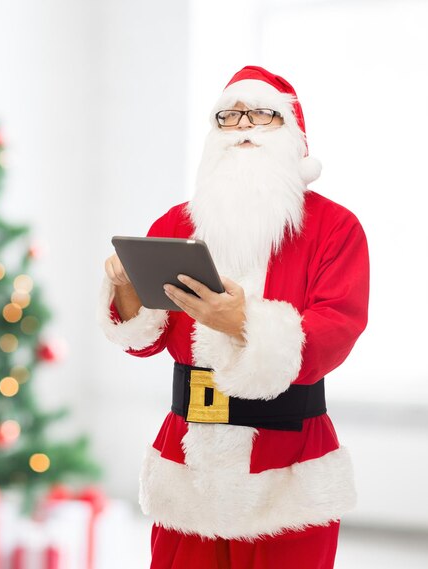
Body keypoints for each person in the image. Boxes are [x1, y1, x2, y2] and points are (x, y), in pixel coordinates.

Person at [98, 66, 369, 569]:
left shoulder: (337, 227)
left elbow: (337, 332)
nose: (242, 126)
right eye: (228, 116)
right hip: (189, 467)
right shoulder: (175, 224)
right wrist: (125, 289)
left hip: (288, 470)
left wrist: (244, 322)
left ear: (292, 135)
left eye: (261, 115)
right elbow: (143, 341)